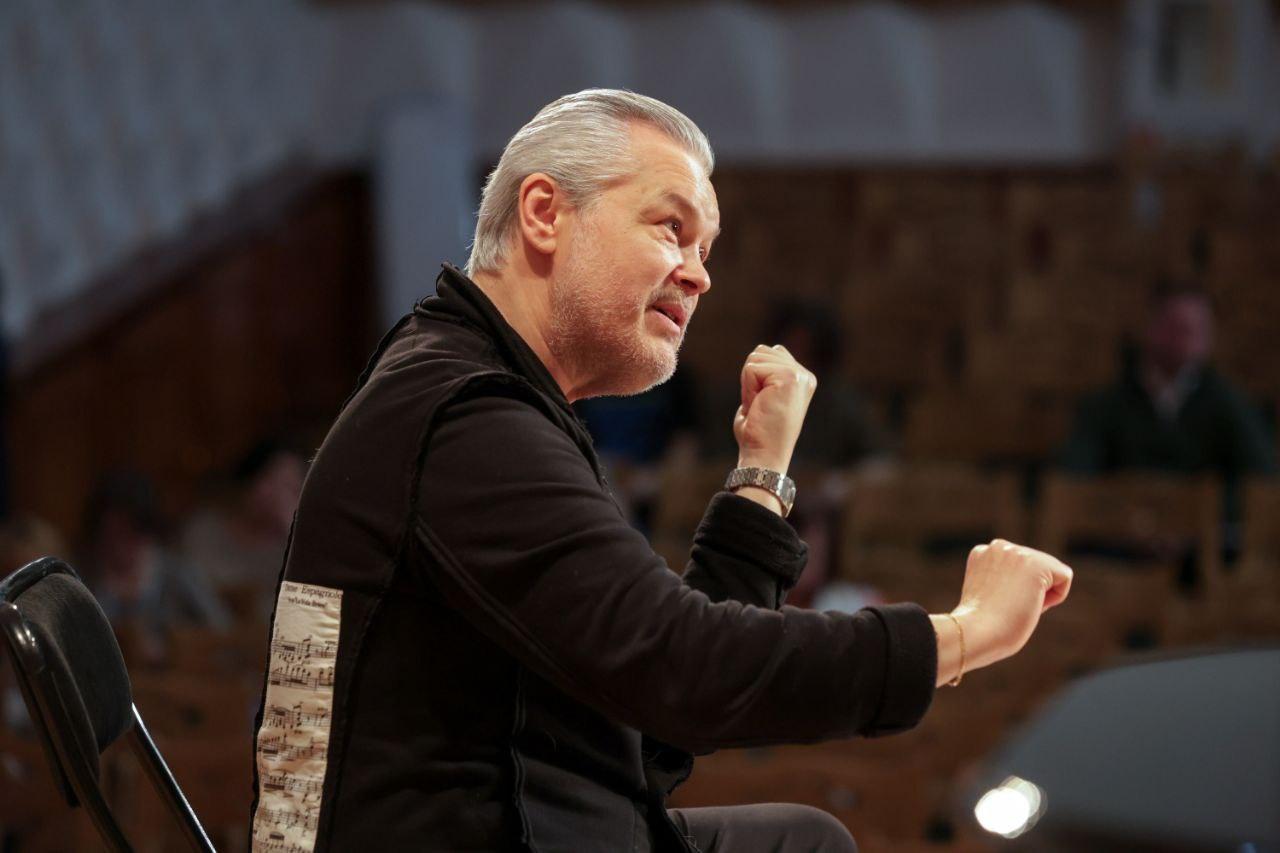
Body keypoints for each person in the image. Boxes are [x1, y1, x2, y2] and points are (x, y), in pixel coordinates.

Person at [249, 90, 1072, 853]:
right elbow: (685, 669)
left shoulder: (479, 394)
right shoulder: (466, 416)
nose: (700, 273)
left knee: (801, 841)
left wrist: (761, 475)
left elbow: (652, 728)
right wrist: (964, 634)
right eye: (670, 228)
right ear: (545, 214)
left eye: (705, 249)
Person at [1059, 280, 1277, 576]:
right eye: (1176, 326)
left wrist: (1196, 520)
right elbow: (1074, 476)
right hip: (1119, 544)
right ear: (1151, 327)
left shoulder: (1229, 405)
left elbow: (1262, 478)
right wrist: (1132, 520)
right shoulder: (1108, 403)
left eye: (1196, 329)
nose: (1187, 336)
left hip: (1202, 550)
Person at [179, 438, 305, 624]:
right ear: (249, 481)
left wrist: (293, 532)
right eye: (271, 482)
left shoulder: (299, 547)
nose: (279, 497)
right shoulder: (204, 532)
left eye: (290, 488)